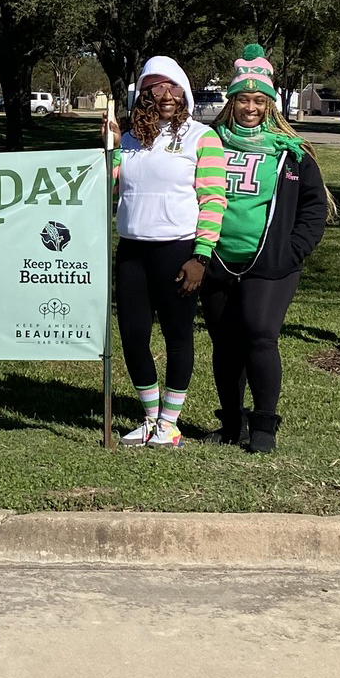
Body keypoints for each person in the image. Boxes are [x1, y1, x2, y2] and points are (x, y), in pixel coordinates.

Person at [201, 46, 333, 453]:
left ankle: (263, 426)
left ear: (271, 104)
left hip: (272, 263)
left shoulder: (291, 151)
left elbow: (314, 205)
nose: (251, 108)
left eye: (260, 100)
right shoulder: (207, 143)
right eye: (244, 99)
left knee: (260, 334)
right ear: (232, 101)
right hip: (217, 257)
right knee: (224, 341)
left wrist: (295, 248)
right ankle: (230, 423)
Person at [106, 55, 227, 449]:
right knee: (133, 335)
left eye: (172, 86)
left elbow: (213, 200)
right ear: (142, 94)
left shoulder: (202, 138)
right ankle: (149, 416)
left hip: (179, 251)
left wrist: (201, 256)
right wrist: (106, 151)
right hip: (132, 252)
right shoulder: (129, 140)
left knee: (177, 336)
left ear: (185, 91)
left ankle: (170, 423)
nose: (165, 95)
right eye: (155, 87)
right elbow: (110, 191)